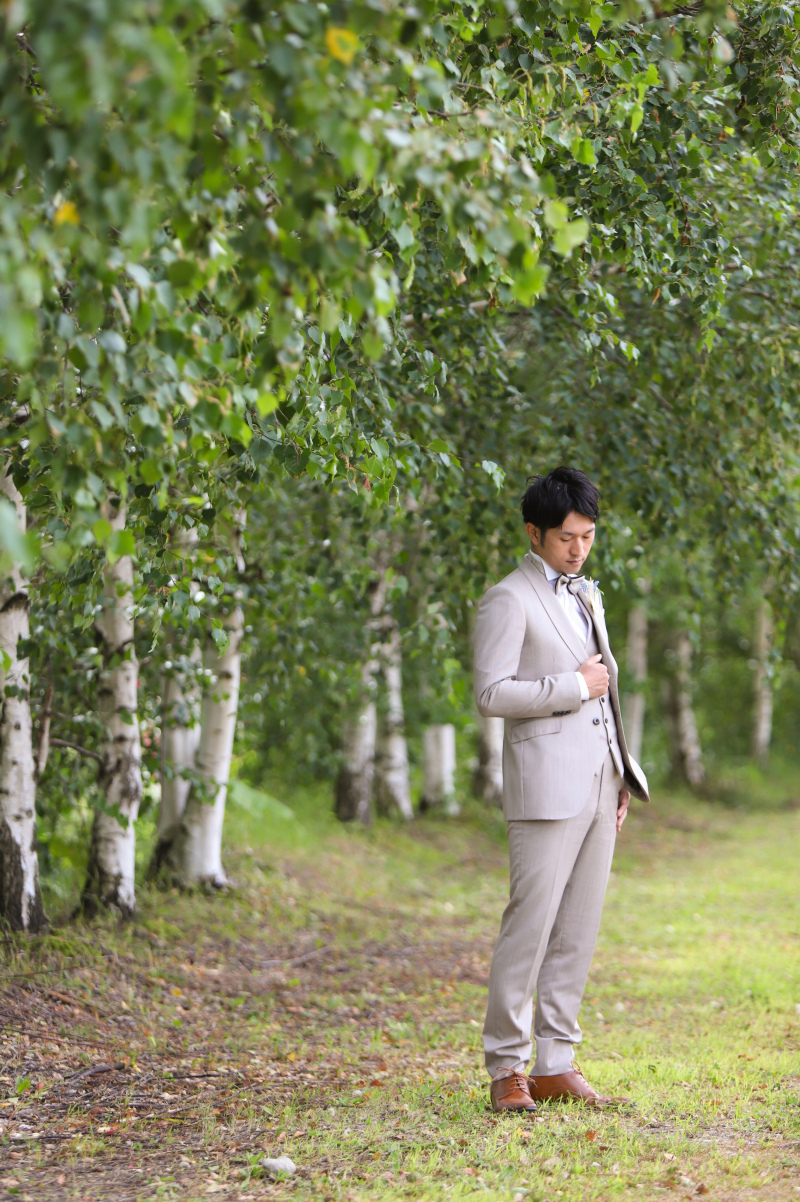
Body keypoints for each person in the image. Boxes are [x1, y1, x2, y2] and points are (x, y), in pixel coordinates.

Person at [473, 466, 649, 1113]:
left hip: (601, 783)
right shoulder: (507, 599)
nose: (578, 549)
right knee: (531, 928)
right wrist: (572, 687)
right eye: (566, 538)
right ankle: (506, 1068)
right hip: (544, 789)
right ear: (534, 533)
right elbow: (492, 694)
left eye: (588, 536)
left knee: (578, 929)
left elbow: (610, 687)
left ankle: (556, 1062)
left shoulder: (587, 594)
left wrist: (621, 769)